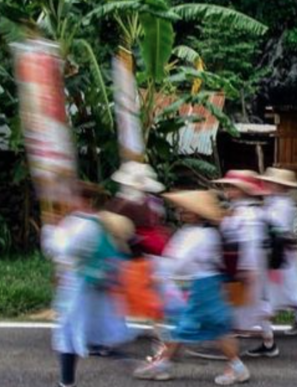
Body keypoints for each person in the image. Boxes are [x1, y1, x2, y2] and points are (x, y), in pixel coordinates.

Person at [133, 190, 250, 385]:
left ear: (196, 212)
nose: (180, 211)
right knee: (196, 326)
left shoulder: (201, 235)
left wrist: (160, 272)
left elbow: (180, 262)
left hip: (202, 286)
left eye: (185, 209)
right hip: (201, 284)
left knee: (205, 327)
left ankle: (236, 368)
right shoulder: (197, 232)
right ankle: (163, 364)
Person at [42, 183, 134, 387]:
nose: (67, 203)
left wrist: (50, 229)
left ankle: (67, 382)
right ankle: (69, 380)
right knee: (89, 332)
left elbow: (65, 249)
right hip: (84, 285)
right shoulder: (83, 221)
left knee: (69, 333)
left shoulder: (88, 225)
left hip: (82, 287)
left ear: (84, 200)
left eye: (72, 198)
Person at [186, 170, 272, 361]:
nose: (228, 190)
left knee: (236, 308)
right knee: (246, 306)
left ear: (242, 190)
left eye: (232, 187)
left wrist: (245, 269)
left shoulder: (247, 214)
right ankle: (266, 342)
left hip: (242, 266)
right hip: (237, 265)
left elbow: (250, 245)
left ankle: (229, 350)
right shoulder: (242, 211)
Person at [108, 161, 169, 325]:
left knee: (131, 292)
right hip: (137, 253)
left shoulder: (124, 204)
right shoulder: (147, 203)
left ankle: (158, 325)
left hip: (130, 255)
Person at [256, 167, 297, 342]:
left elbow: (276, 227)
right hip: (282, 249)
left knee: (286, 285)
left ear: (280, 186)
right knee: (288, 285)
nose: (268, 185)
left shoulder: (282, 205)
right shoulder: (276, 202)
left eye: (271, 183)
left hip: (280, 250)